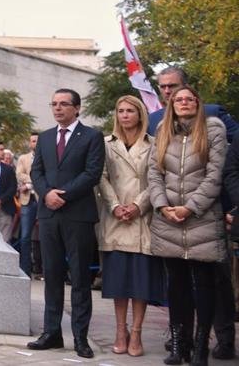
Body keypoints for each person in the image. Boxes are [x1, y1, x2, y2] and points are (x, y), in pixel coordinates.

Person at [150, 66, 239, 359]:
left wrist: (192, 207)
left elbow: (221, 170)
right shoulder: (159, 125)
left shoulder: (214, 122)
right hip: (169, 218)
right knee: (176, 285)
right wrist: (162, 205)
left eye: (175, 88)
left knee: (211, 284)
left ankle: (214, 343)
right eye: (165, 88)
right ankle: (181, 344)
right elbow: (153, 172)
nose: (171, 93)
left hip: (204, 215)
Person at [27, 88, 105, 359]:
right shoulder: (46, 137)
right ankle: (52, 333)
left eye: (63, 104)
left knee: (80, 277)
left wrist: (64, 195)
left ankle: (81, 338)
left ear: (77, 108)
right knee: (51, 275)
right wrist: (46, 193)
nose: (58, 108)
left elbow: (92, 173)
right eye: (54, 104)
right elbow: (36, 171)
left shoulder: (92, 137)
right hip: (49, 215)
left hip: (78, 215)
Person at [97, 95, 163, 357]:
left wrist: (137, 205)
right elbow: (101, 178)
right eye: (121, 111)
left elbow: (157, 179)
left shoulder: (154, 144)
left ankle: (136, 332)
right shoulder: (106, 144)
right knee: (118, 282)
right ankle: (119, 331)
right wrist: (115, 206)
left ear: (140, 114)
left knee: (140, 282)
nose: (125, 115)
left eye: (130, 111)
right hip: (114, 217)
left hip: (142, 218)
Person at [15, 133, 39, 276]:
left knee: (46, 237)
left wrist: (28, 184)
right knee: (25, 237)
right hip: (27, 201)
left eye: (37, 141)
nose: (35, 143)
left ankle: (45, 270)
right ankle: (25, 270)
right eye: (33, 141)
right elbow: (19, 175)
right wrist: (35, 180)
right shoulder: (23, 158)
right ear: (30, 143)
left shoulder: (47, 157)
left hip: (42, 200)